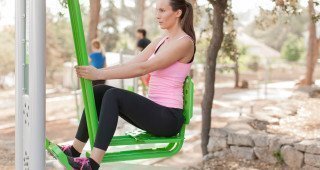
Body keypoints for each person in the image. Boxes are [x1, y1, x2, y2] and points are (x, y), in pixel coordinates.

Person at [63, 0, 196, 169]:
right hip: (155, 112)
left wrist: (99, 74)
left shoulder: (185, 43)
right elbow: (131, 64)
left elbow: (143, 68)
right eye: (156, 11)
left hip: (168, 118)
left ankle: (92, 163)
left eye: (162, 10)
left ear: (178, 13)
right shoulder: (160, 41)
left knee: (113, 96)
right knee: (99, 91)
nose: (157, 16)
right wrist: (96, 71)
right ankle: (74, 150)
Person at [136, 29, 152, 95]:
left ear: (141, 33)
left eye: (137, 33)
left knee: (142, 79)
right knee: (147, 80)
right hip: (150, 62)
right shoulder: (149, 40)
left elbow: (138, 52)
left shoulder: (140, 41)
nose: (136, 35)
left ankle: (144, 94)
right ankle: (146, 92)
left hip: (143, 62)